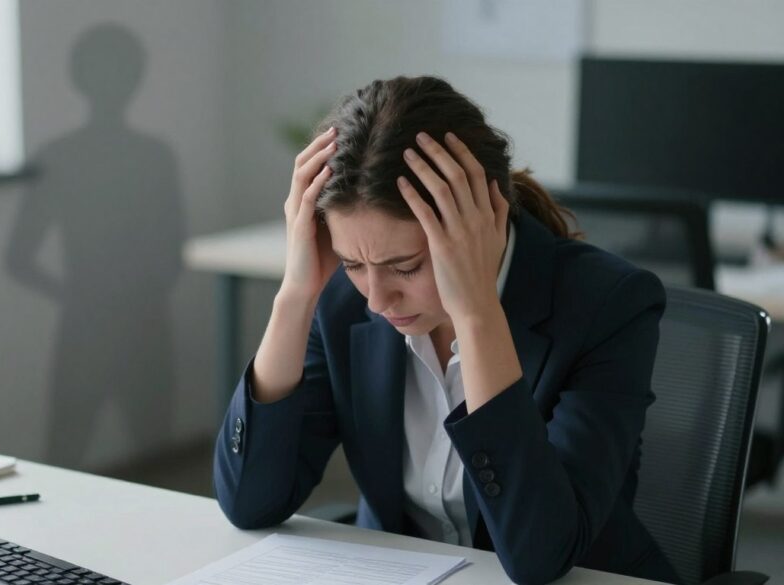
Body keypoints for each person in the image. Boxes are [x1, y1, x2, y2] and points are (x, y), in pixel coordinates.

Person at [213, 76, 680, 585]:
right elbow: (248, 503)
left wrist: (478, 314)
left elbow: (541, 555)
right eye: (352, 263)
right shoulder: (343, 301)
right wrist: (297, 294)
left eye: (406, 267)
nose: (376, 298)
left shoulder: (608, 305)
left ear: (483, 223)